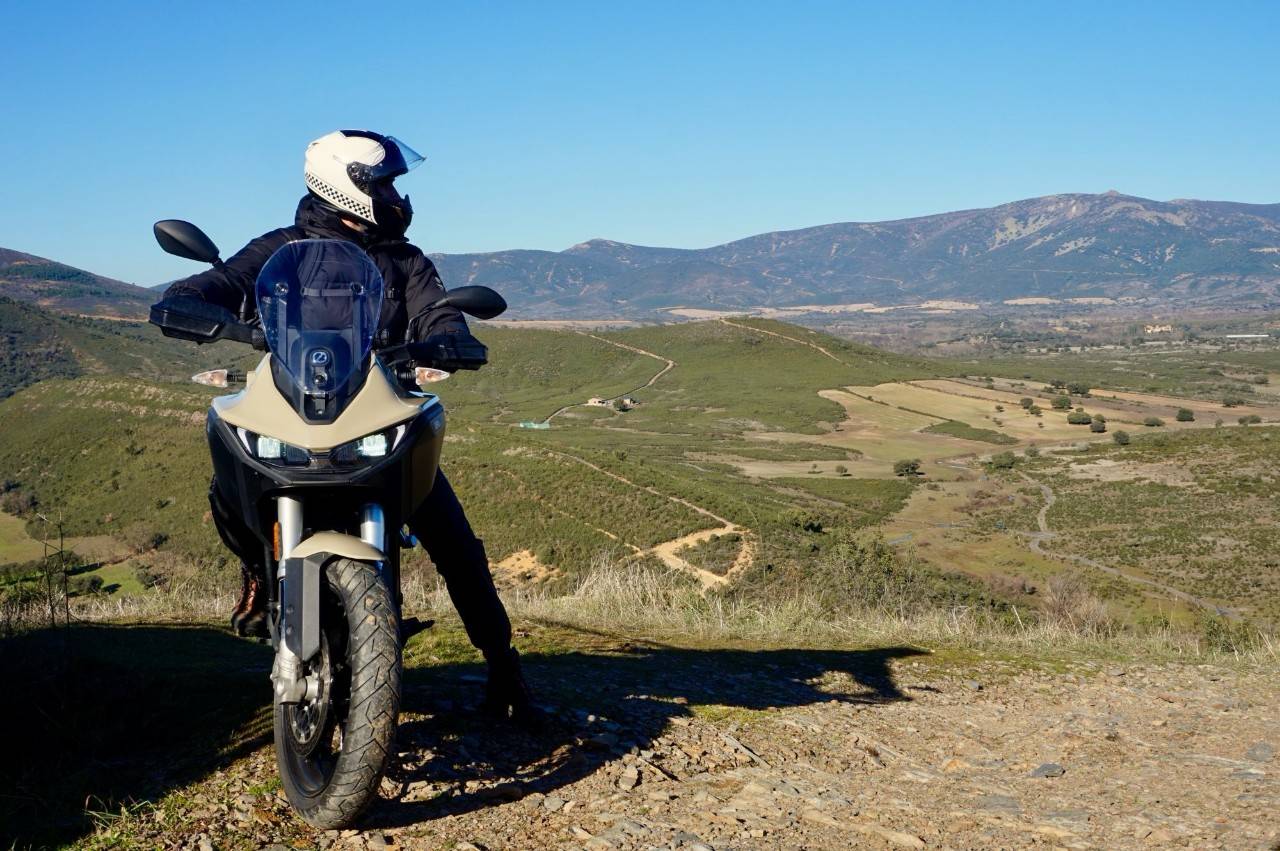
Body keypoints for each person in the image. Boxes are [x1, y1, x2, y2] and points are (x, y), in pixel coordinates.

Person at [163, 130, 537, 724]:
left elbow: (437, 308)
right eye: (381, 182)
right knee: (229, 489)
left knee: (454, 541)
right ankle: (261, 573)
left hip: (376, 407)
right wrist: (188, 299)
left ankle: (502, 662)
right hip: (292, 403)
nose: (392, 194)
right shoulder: (280, 248)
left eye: (393, 182)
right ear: (345, 183)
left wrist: (452, 337)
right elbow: (225, 282)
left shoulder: (406, 260)